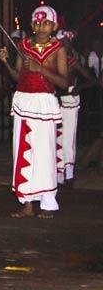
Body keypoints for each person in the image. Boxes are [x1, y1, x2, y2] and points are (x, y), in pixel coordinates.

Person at [0, 6, 68, 218]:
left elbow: (64, 82)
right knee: (23, 150)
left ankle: (48, 203)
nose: (41, 27)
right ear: (31, 24)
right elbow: (17, 77)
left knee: (44, 153)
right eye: (37, 23)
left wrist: (41, 69)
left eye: (46, 23)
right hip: (24, 102)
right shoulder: (24, 45)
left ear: (54, 26)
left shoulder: (58, 49)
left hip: (44, 104)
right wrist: (5, 62)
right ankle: (27, 203)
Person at [55, 30, 96, 185]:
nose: (63, 45)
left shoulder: (72, 61)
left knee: (68, 137)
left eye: (65, 42)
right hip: (56, 101)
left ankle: (69, 173)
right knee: (57, 136)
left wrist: (79, 88)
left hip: (70, 100)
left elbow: (91, 79)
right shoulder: (53, 61)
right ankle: (59, 174)